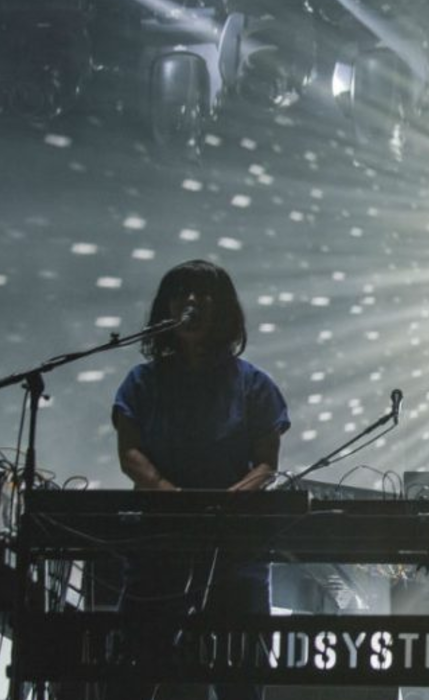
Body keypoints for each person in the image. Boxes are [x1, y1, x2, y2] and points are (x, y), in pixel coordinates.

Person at [108, 259, 290, 700]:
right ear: (165, 308)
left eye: (202, 293)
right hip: (158, 544)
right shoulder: (143, 381)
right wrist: (170, 494)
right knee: (134, 671)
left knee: (240, 675)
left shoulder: (254, 384)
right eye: (180, 293)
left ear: (223, 308)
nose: (190, 301)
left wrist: (226, 503)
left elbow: (266, 463)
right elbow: (130, 453)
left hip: (235, 549)